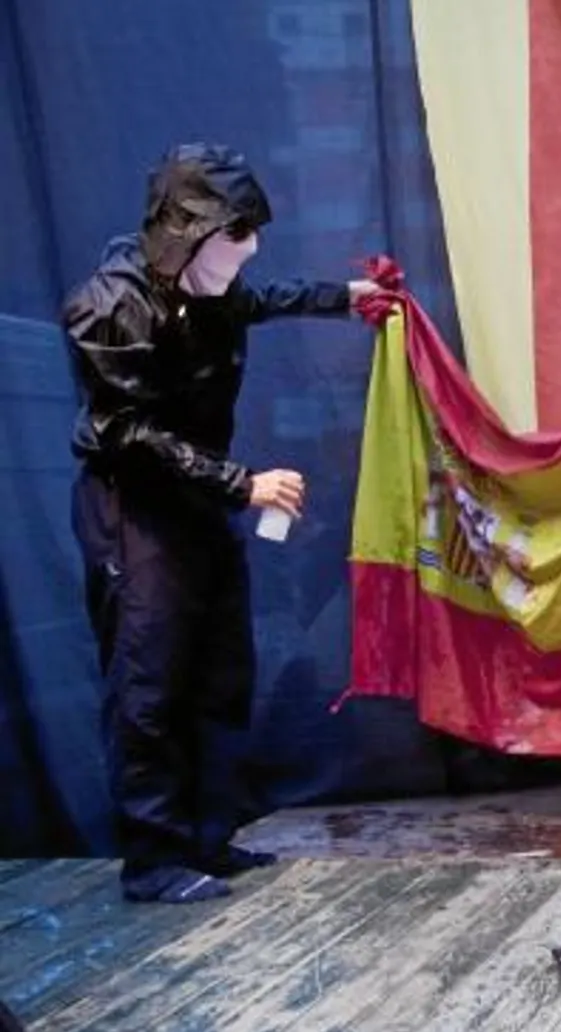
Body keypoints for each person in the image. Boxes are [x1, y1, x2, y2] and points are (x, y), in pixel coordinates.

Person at [66, 143, 383, 903]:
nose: (250, 248)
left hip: (199, 502)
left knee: (218, 669)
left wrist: (347, 297)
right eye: (236, 234)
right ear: (192, 233)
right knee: (151, 682)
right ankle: (156, 859)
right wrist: (243, 482)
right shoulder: (113, 305)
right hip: (134, 511)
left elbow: (264, 297)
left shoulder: (209, 291)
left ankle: (208, 837)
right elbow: (126, 434)